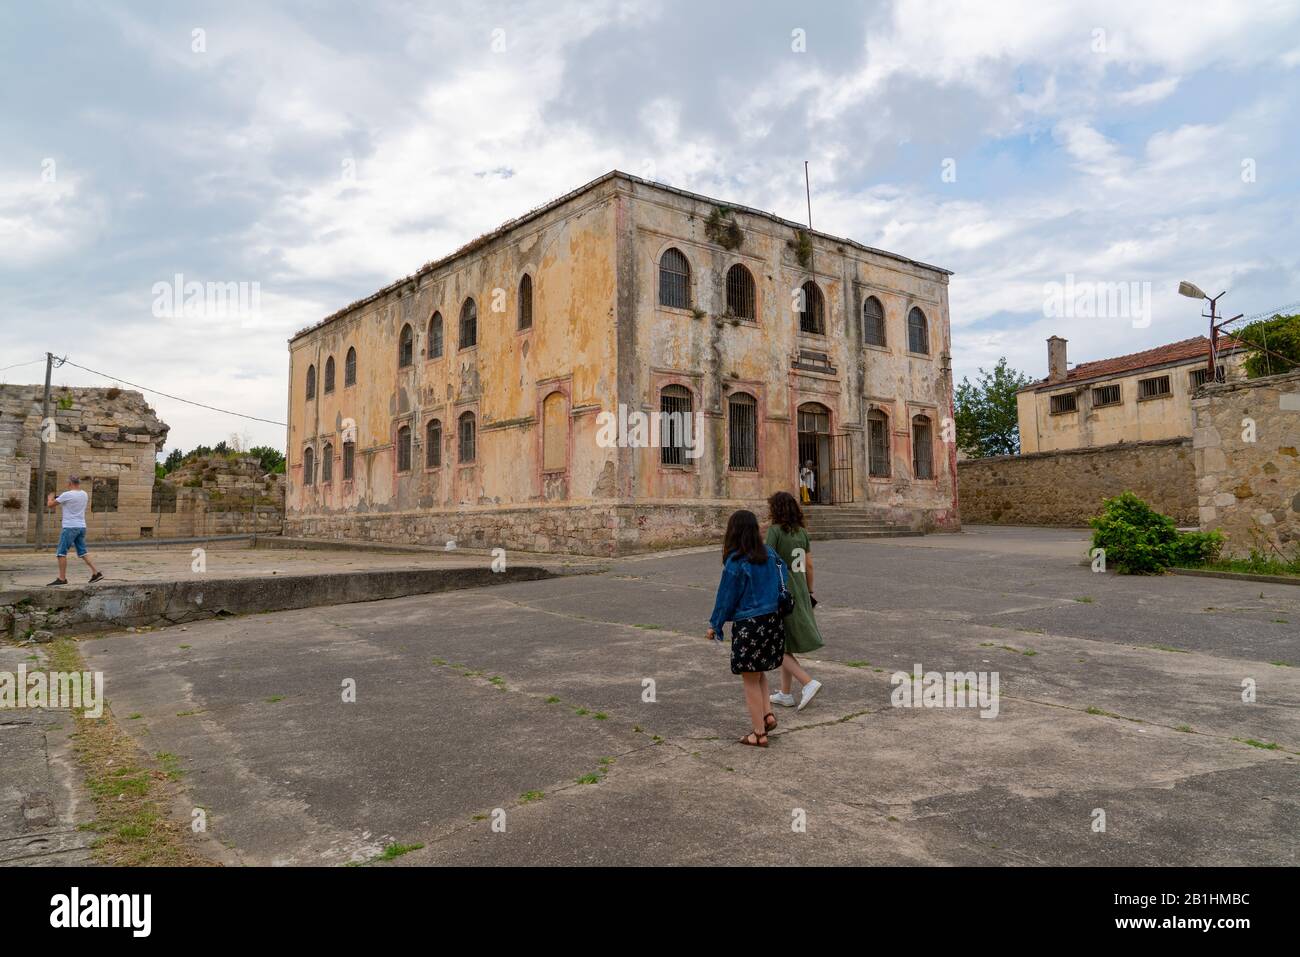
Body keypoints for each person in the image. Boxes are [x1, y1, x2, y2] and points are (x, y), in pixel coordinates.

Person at [707, 509, 788, 747]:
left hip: (750, 624)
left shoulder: (736, 561)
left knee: (749, 678)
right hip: (773, 620)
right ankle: (768, 714)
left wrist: (715, 624)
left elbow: (726, 597)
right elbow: (784, 576)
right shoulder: (770, 554)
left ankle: (758, 733)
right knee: (759, 671)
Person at [765, 491, 824, 711]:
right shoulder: (802, 533)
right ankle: (785, 693)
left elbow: (768, 561)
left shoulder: (775, 531)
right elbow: (809, 565)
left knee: (775, 642)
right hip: (799, 585)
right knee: (786, 640)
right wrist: (809, 590)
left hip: (782, 587)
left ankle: (807, 682)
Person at [46, 476, 103, 586]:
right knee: (82, 552)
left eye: (67, 483)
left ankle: (62, 578)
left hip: (70, 527)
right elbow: (71, 501)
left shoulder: (67, 495)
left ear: (70, 483)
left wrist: (50, 497)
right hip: (81, 526)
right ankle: (96, 573)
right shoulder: (84, 494)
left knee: (61, 553)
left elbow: (50, 505)